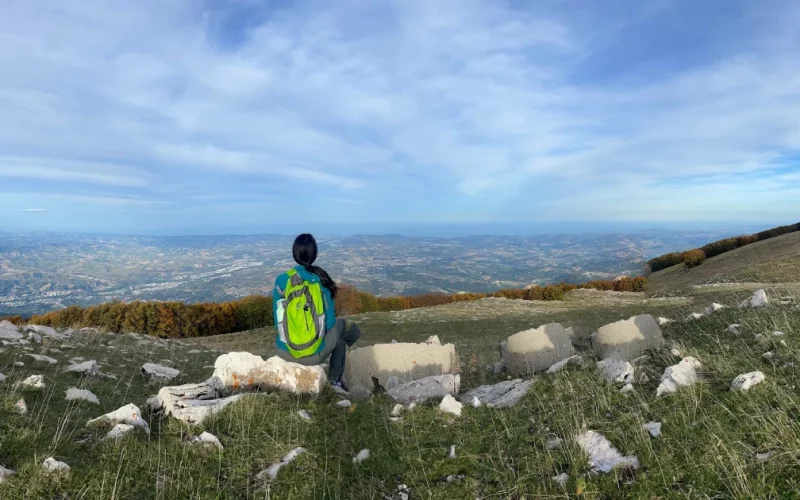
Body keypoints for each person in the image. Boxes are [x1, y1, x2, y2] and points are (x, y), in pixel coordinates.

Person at [273, 233, 360, 391]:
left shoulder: (282, 280)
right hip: (312, 356)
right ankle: (335, 380)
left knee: (341, 332)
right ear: (314, 254)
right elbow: (330, 323)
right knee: (341, 329)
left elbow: (277, 320)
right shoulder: (321, 280)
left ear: (295, 253)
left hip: (284, 350)